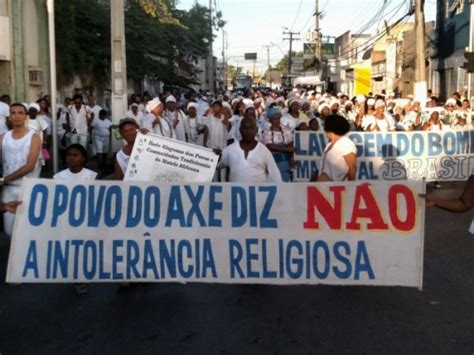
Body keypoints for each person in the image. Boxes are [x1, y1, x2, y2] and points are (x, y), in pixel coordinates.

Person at [54, 144, 97, 294]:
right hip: (66, 220)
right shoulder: (58, 177)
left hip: (86, 219)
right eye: (68, 155)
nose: (70, 158)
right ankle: (75, 275)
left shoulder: (92, 176)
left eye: (75, 155)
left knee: (84, 248)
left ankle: (81, 278)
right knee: (70, 248)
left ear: (83, 158)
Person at [1, 103, 41, 237]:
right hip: (8, 189)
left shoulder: (34, 137)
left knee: (27, 231)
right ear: (9, 117)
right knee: (9, 231)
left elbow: (29, 166)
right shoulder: (3, 138)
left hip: (28, 188)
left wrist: (4, 179)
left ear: (26, 116)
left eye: (20, 113)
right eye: (13, 113)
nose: (17, 116)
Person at [218, 116, 282, 183]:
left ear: (256, 130)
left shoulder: (264, 151)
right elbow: (216, 164)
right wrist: (214, 155)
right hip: (235, 192)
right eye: (245, 128)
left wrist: (280, 191)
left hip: (258, 193)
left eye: (251, 128)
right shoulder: (230, 150)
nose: (248, 132)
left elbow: (275, 175)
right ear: (240, 130)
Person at [312, 114, 357, 182]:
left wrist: (351, 187)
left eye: (325, 127)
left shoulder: (346, 143)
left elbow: (352, 168)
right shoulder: (328, 145)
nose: (324, 130)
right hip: (324, 187)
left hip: (338, 188)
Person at [261, 107, 294, 182]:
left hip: (285, 161)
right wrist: (286, 149)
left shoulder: (286, 131)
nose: (277, 121)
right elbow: (270, 146)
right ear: (270, 120)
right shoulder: (267, 132)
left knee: (286, 181)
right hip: (273, 161)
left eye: (278, 118)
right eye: (274, 119)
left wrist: (292, 157)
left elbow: (290, 144)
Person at [91, 109, 112, 174]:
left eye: (104, 115)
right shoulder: (96, 121)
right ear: (99, 115)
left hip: (106, 138)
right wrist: (91, 138)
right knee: (99, 151)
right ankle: (101, 165)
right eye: (102, 115)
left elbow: (111, 127)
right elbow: (91, 128)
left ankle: (104, 163)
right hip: (98, 138)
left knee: (105, 152)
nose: (103, 117)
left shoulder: (108, 121)